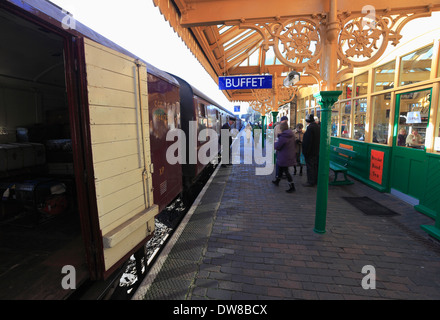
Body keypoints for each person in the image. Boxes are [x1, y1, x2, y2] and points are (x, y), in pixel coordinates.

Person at [272, 121, 296, 193]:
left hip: (284, 155)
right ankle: (277, 181)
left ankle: (292, 186)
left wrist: (275, 143)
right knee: (281, 168)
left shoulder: (283, 136)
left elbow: (278, 146)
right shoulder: (291, 134)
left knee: (285, 171)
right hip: (289, 154)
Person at [302, 114, 320, 187]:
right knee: (315, 166)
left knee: (310, 167)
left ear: (307, 121)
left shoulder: (310, 128)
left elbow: (307, 142)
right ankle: (315, 180)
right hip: (316, 151)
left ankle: (311, 181)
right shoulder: (318, 127)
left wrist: (305, 152)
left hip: (310, 152)